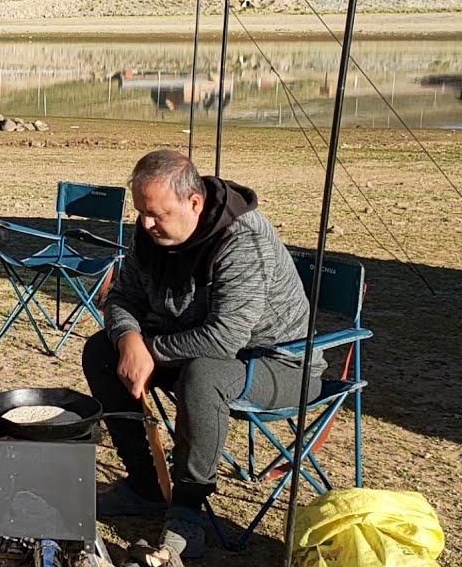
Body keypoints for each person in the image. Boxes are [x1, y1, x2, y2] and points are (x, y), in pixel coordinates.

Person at [83, 149, 322, 559]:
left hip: (280, 363)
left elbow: (225, 337)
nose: (146, 223)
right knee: (101, 350)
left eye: (157, 213)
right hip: (191, 351)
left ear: (194, 203)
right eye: (141, 212)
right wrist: (128, 340)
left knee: (204, 374)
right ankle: (145, 484)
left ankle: (187, 513)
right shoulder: (151, 233)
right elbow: (122, 297)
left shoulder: (242, 237)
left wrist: (149, 351)